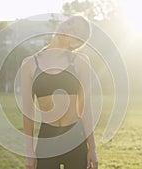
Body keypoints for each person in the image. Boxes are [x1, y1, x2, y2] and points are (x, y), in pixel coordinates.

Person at [21, 15, 98, 169]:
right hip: (47, 139)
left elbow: (85, 108)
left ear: (76, 41)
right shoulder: (29, 64)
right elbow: (28, 112)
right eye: (69, 23)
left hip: (75, 137)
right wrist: (29, 151)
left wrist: (92, 148)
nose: (67, 27)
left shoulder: (80, 62)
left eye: (74, 29)